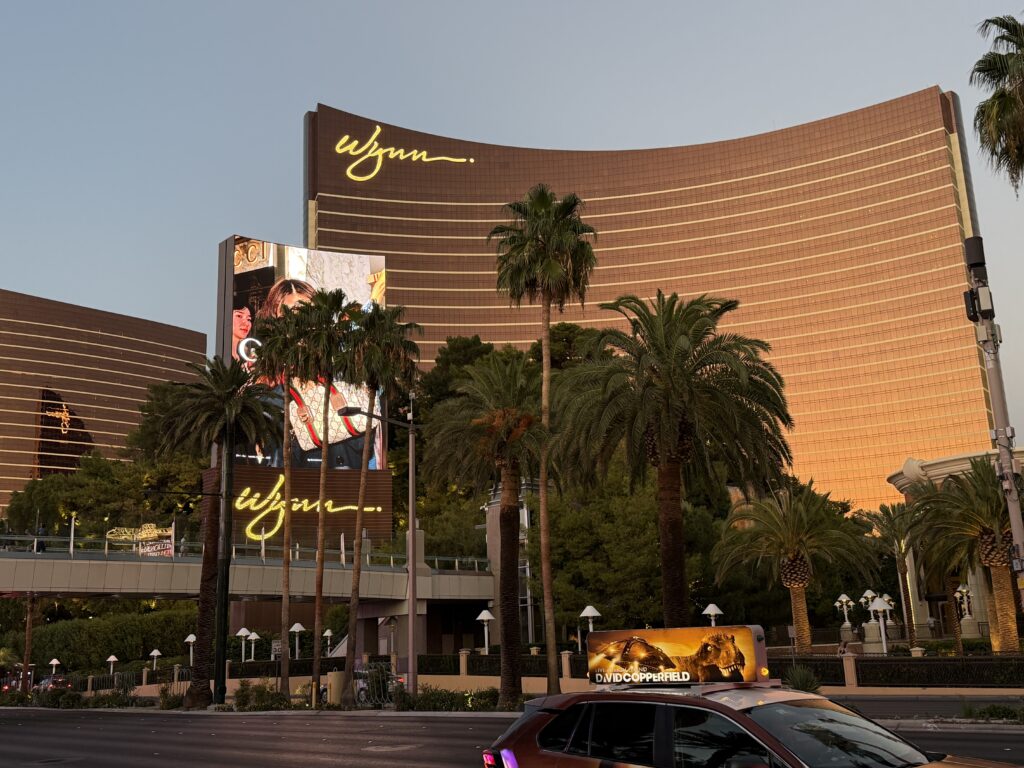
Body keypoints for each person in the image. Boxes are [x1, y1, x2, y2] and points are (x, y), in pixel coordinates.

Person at [255, 277, 373, 471]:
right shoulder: (269, 396)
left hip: (349, 488)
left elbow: (368, 445)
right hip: (293, 495)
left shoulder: (346, 374)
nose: (300, 324)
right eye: (288, 317)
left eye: (307, 314)